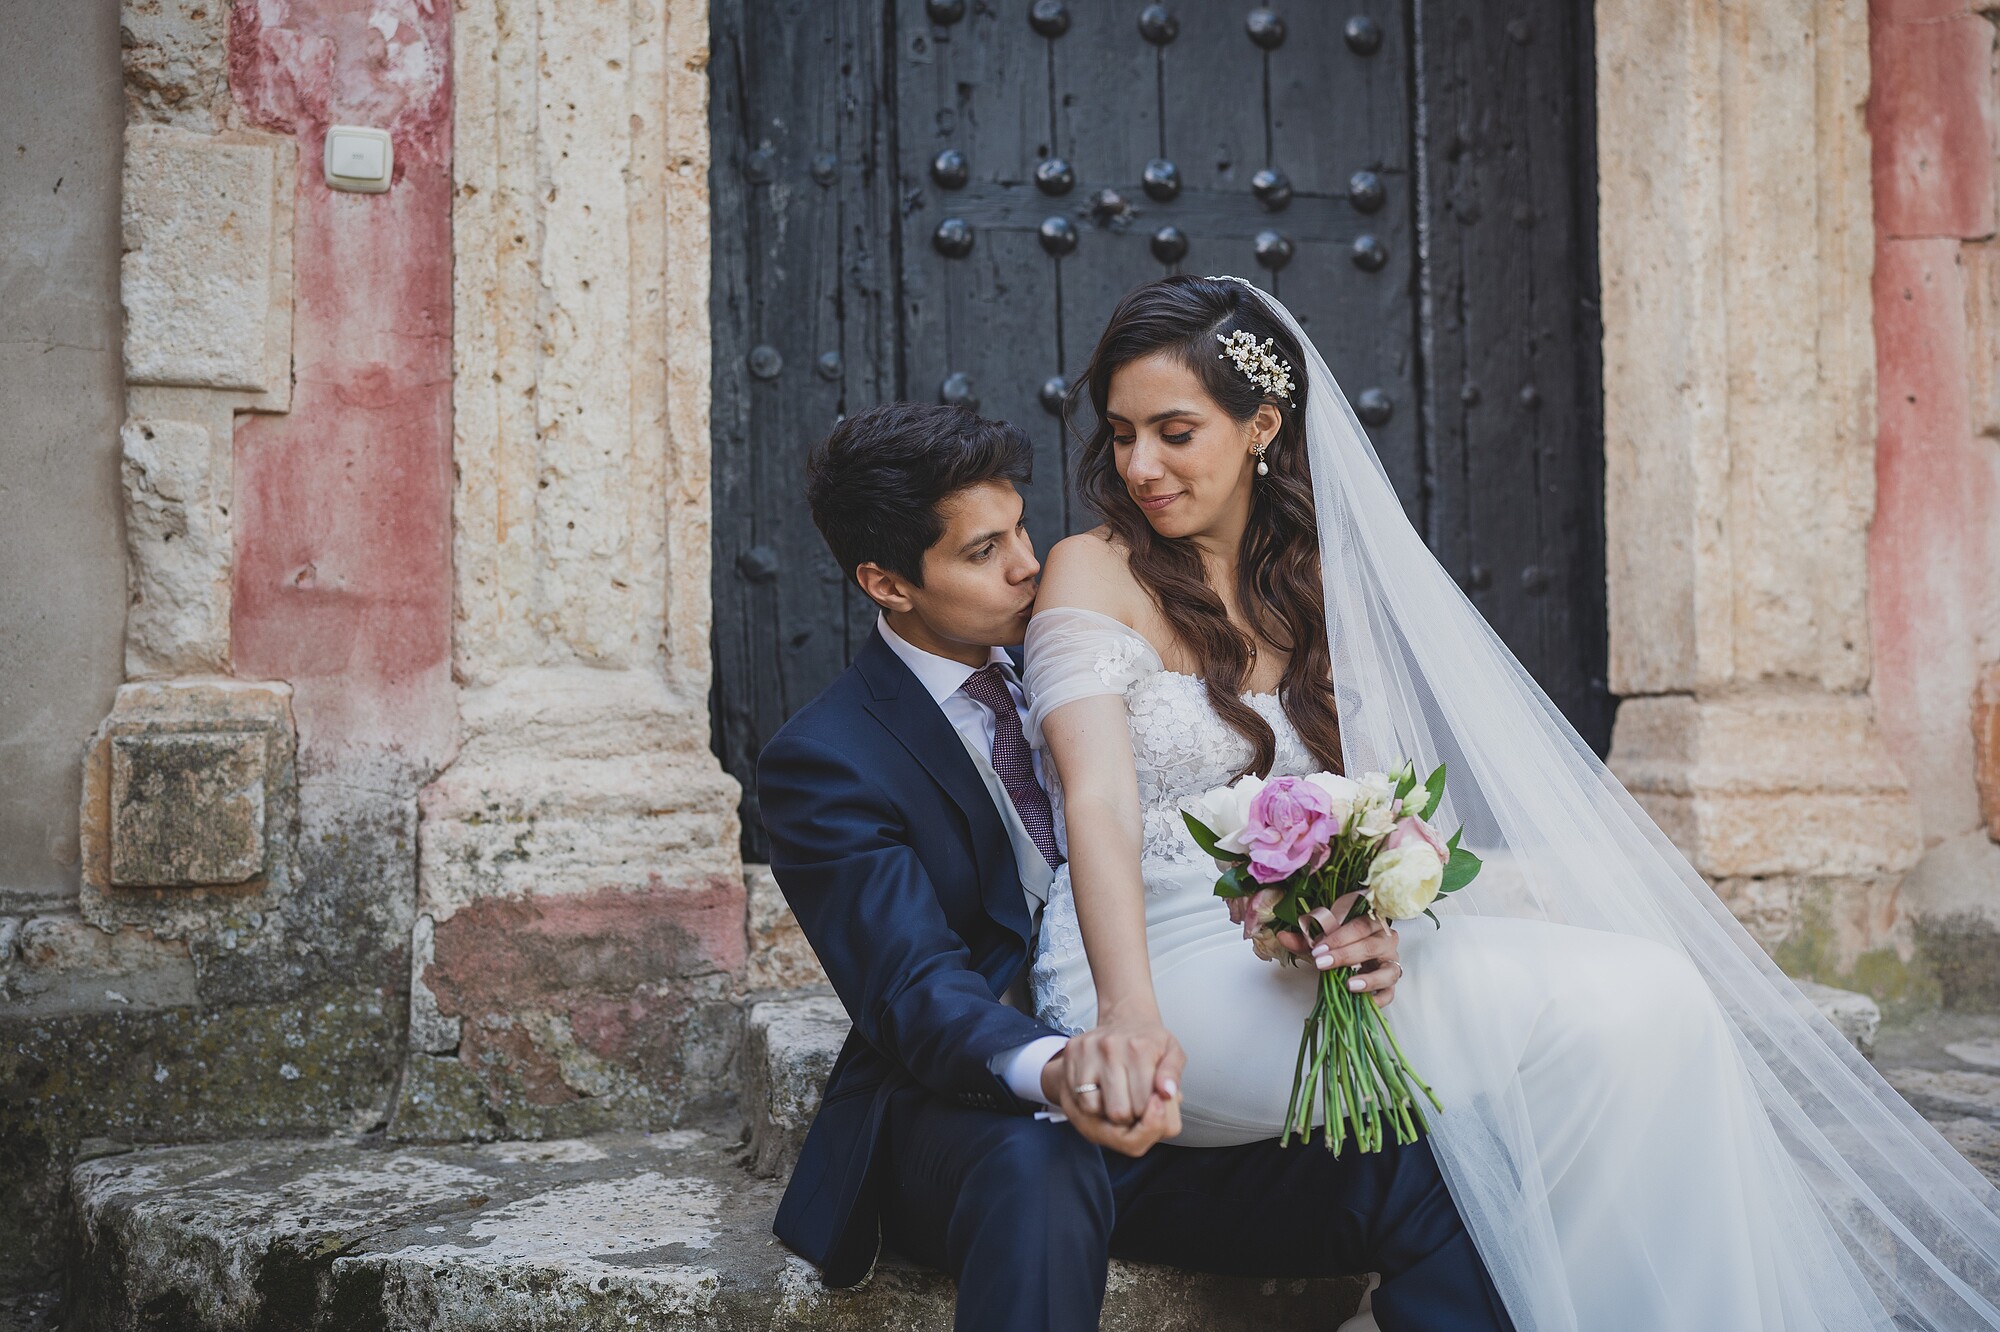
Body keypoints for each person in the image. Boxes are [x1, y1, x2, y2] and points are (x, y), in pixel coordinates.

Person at [1024, 273, 2000, 1331]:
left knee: (1657, 996)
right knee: (1594, 1032)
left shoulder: (1305, 587)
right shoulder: (1092, 569)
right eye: (1120, 434)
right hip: (1153, 977)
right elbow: (1099, 807)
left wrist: (1365, 927)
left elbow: (1364, 811)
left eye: (1174, 432)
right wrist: (1125, 1016)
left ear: (1262, 426)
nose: (1137, 466)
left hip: (1290, 969)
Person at [755, 400, 1517, 1332]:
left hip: (1174, 1091)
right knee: (1044, 1169)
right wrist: (1059, 1069)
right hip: (980, 1112)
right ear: (887, 583)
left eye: (1022, 527)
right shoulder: (827, 759)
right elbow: (912, 994)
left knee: (1439, 1165)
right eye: (983, 551)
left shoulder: (1088, 656)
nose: (1029, 564)